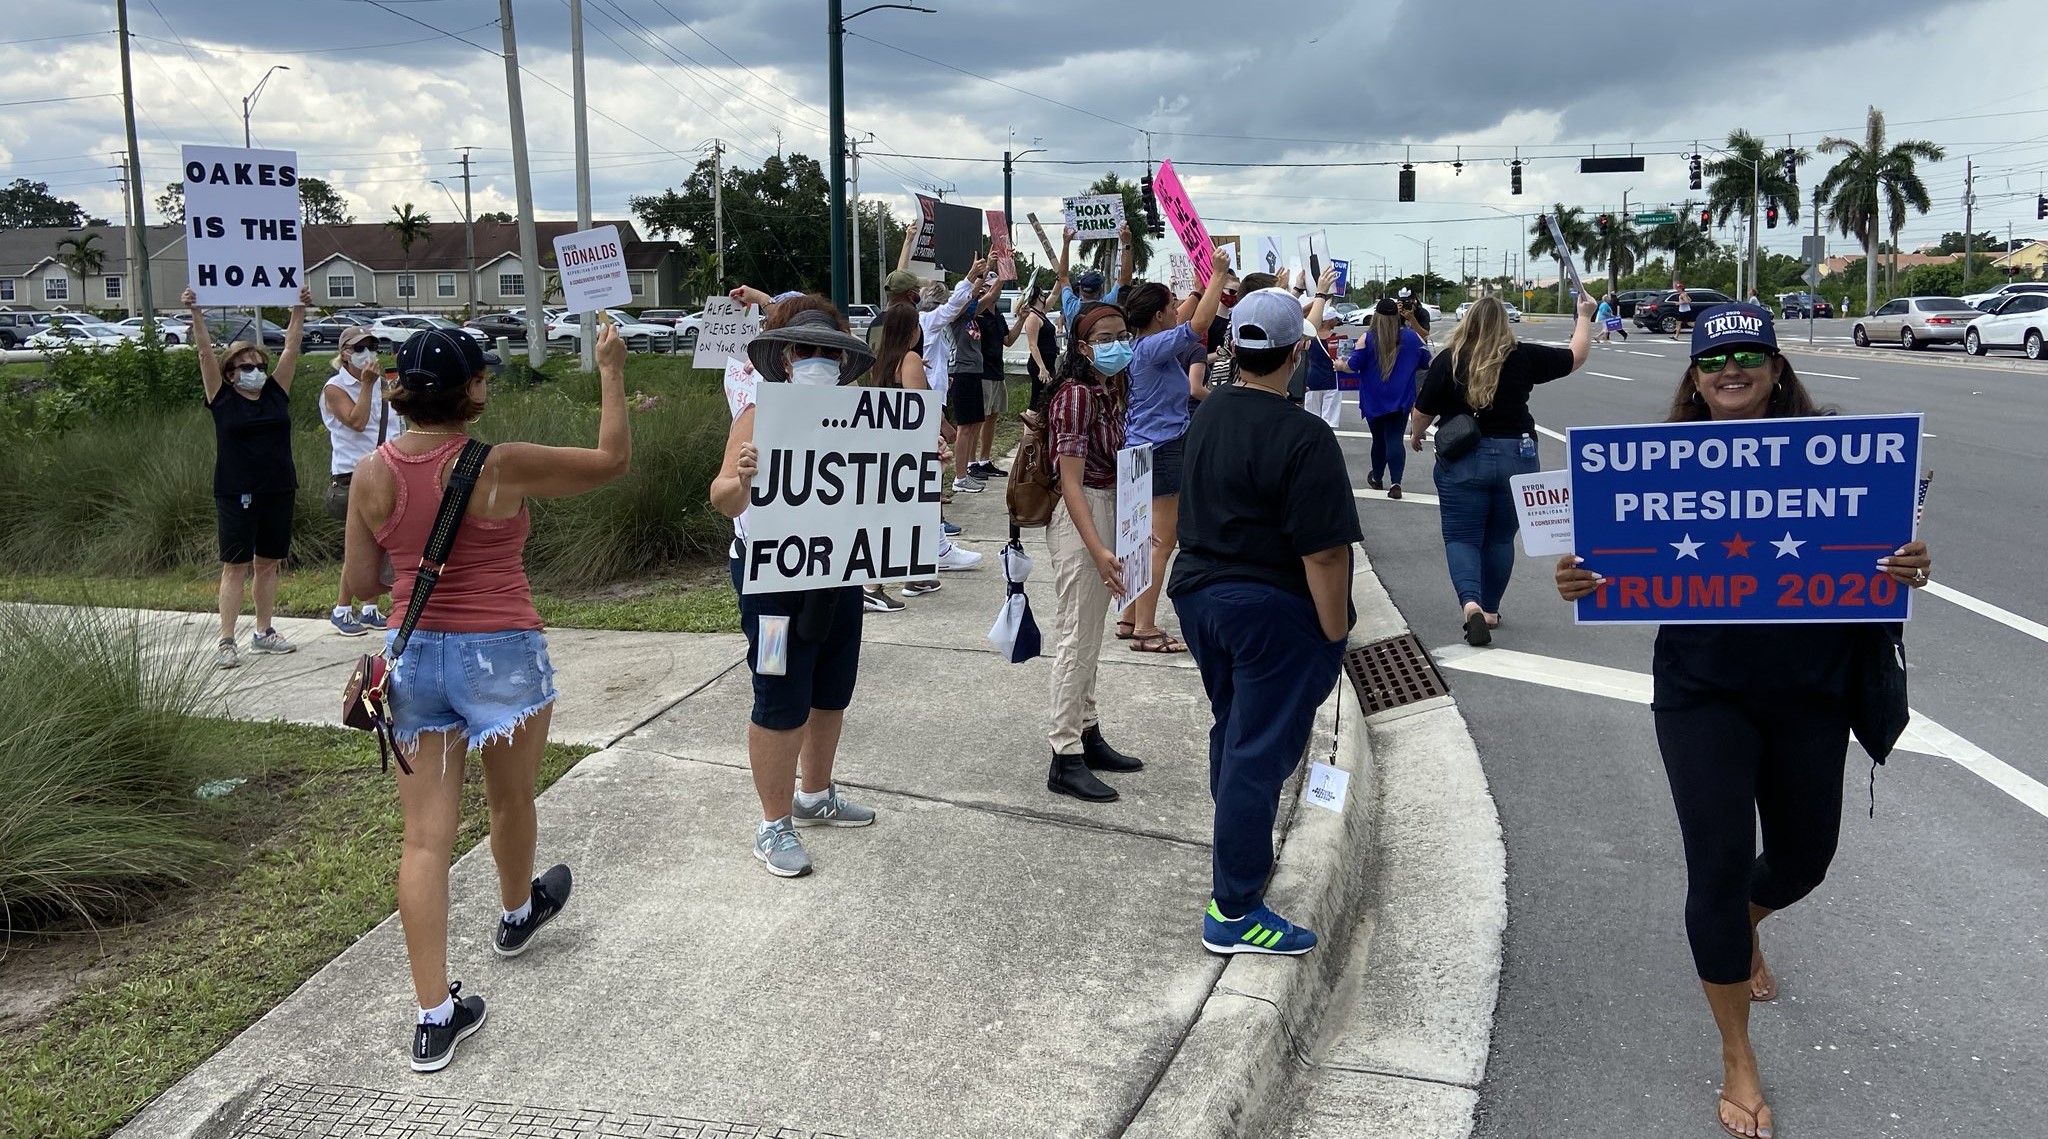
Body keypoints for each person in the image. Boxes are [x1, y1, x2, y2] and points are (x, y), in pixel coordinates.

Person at [1553, 304, 1933, 1139]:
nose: (1732, 368)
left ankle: (1747, 924)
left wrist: (1911, 563)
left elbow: (1887, 559)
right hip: (1703, 690)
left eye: (1749, 354)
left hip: (1811, 687)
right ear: (1693, 375)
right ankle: (1737, 1054)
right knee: (1716, 871)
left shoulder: (1837, 453)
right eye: (1714, 357)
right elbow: (1605, 567)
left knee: (1804, 859)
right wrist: (1581, 581)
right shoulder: (1653, 466)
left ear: (1775, 366)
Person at [341, 324, 631, 1072]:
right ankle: (515, 912)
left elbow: (360, 582)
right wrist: (609, 370)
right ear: (472, 388)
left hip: (415, 662)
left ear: (402, 387)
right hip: (500, 653)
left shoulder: (372, 471)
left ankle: (435, 1016)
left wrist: (415, 563)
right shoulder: (495, 464)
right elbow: (611, 460)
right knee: (510, 801)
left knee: (424, 842)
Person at [1168, 287, 1362, 957]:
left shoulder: (1210, 410)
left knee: (1236, 729)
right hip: (1269, 612)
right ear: (1298, 351)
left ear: (1233, 349)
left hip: (1200, 598)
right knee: (1257, 751)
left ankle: (1235, 852)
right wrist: (1335, 634)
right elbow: (1326, 553)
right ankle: (1236, 906)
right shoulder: (1305, 436)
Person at [710, 297, 892, 879]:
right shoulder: (759, 413)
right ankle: (773, 821)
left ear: (844, 360)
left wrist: (919, 469)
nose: (818, 359)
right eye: (807, 349)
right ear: (786, 357)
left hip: (837, 574)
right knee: (779, 693)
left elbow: (883, 496)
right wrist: (740, 478)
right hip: (771, 582)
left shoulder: (862, 414)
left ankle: (815, 794)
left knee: (832, 688)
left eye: (829, 351)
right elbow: (723, 500)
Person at [1409, 292, 1595, 646]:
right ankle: (1492, 610)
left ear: (1468, 321)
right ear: (1503, 324)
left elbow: (1423, 410)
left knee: (1462, 537)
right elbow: (1576, 356)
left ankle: (1471, 605)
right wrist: (1584, 316)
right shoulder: (1522, 356)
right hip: (1519, 456)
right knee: (1499, 537)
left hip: (1464, 458)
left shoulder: (1449, 359)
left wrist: (1416, 436)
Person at [1042, 300, 1146, 803]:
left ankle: (1087, 730)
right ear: (1083, 346)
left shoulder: (1111, 389)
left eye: (1122, 333)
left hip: (1109, 510)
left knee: (1090, 636)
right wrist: (1100, 547)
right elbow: (1071, 484)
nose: (1116, 344)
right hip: (1085, 517)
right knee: (1076, 637)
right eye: (1104, 338)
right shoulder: (1077, 396)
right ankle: (1064, 754)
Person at [1113, 252, 1232, 654]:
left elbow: (1186, 314)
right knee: (1159, 542)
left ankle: (1129, 616)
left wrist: (1201, 286)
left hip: (1137, 450)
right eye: (1170, 306)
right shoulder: (1152, 350)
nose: (1175, 311)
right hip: (1162, 451)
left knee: (1138, 540)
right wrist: (1217, 274)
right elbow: (1198, 324)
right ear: (1159, 317)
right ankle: (1146, 628)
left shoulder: (1139, 345)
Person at [186, 285, 311, 670]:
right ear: (230, 373)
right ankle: (227, 639)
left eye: (259, 365)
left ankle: (264, 631)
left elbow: (290, 350)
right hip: (237, 491)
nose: (256, 372)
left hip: (278, 487)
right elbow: (205, 353)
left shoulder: (276, 393)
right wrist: (196, 313)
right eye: (246, 367)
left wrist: (297, 310)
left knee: (268, 563)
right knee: (235, 565)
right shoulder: (221, 398)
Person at [322, 325, 398, 636]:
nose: (367, 353)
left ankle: (369, 606)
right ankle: (342, 608)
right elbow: (356, 421)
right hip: (354, 472)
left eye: (371, 346)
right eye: (359, 348)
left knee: (382, 540)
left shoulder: (383, 384)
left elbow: (394, 423)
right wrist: (366, 386)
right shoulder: (335, 388)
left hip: (386, 468)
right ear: (345, 354)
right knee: (362, 543)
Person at [1350, 297, 1428, 498]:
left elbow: (1353, 365)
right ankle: (1396, 483)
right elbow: (1426, 361)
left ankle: (1377, 477)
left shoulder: (1367, 339)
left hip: (1374, 399)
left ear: (1375, 316)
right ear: (1397, 316)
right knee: (1394, 439)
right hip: (1400, 398)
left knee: (1378, 440)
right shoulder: (1411, 338)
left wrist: (1339, 365)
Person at [1055, 221, 1136, 326]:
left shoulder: (1070, 306)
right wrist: (1126, 244)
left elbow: (1063, 276)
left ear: (1080, 289)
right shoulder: (1106, 304)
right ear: (1100, 290)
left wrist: (1066, 243)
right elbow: (1125, 279)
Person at [969, 289, 1012, 480]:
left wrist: (1021, 319)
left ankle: (984, 460)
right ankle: (971, 463)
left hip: (997, 371)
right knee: (978, 418)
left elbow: (1008, 340)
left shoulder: (999, 316)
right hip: (981, 371)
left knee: (992, 416)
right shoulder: (978, 315)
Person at [1018, 286, 1061, 409]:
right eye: (1042, 294)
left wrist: (1059, 278)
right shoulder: (1032, 317)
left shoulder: (1041, 313)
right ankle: (1030, 425)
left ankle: (1039, 425)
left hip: (1048, 360)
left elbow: (1054, 294)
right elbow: (1033, 345)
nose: (1045, 297)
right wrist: (1041, 367)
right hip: (1039, 362)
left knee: (1046, 399)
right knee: (1037, 400)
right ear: (1038, 297)